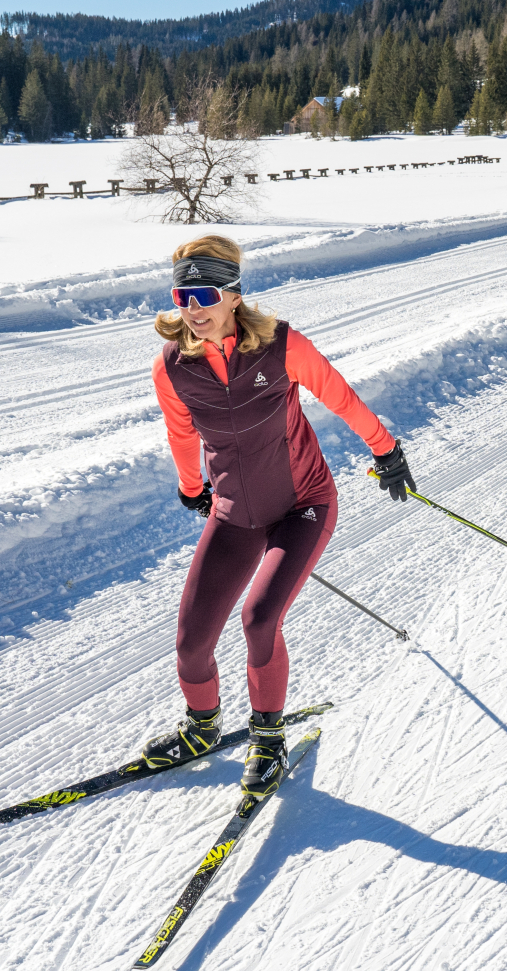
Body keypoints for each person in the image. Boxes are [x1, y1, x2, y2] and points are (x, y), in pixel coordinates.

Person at [145, 235, 415, 799]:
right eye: (182, 295)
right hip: (235, 513)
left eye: (204, 294)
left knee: (259, 619)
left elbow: (339, 397)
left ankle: (268, 739)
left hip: (303, 505)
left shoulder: (281, 347)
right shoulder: (171, 366)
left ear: (233, 295)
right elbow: (180, 432)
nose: (192, 310)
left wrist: (385, 450)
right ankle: (202, 727)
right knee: (192, 641)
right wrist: (192, 487)